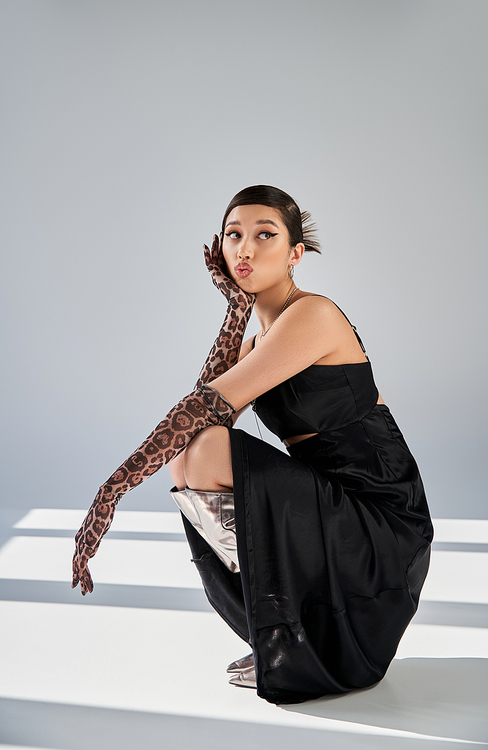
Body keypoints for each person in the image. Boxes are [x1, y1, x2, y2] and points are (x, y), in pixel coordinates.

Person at [72, 185, 433, 706]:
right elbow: (201, 407)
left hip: (382, 522)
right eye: (233, 236)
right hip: (332, 504)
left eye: (265, 236)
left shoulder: (313, 316)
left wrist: (111, 493)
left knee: (205, 449)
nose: (245, 249)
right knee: (192, 454)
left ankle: (299, 629)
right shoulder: (257, 341)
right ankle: (287, 629)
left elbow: (202, 412)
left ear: (294, 254)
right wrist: (236, 311)